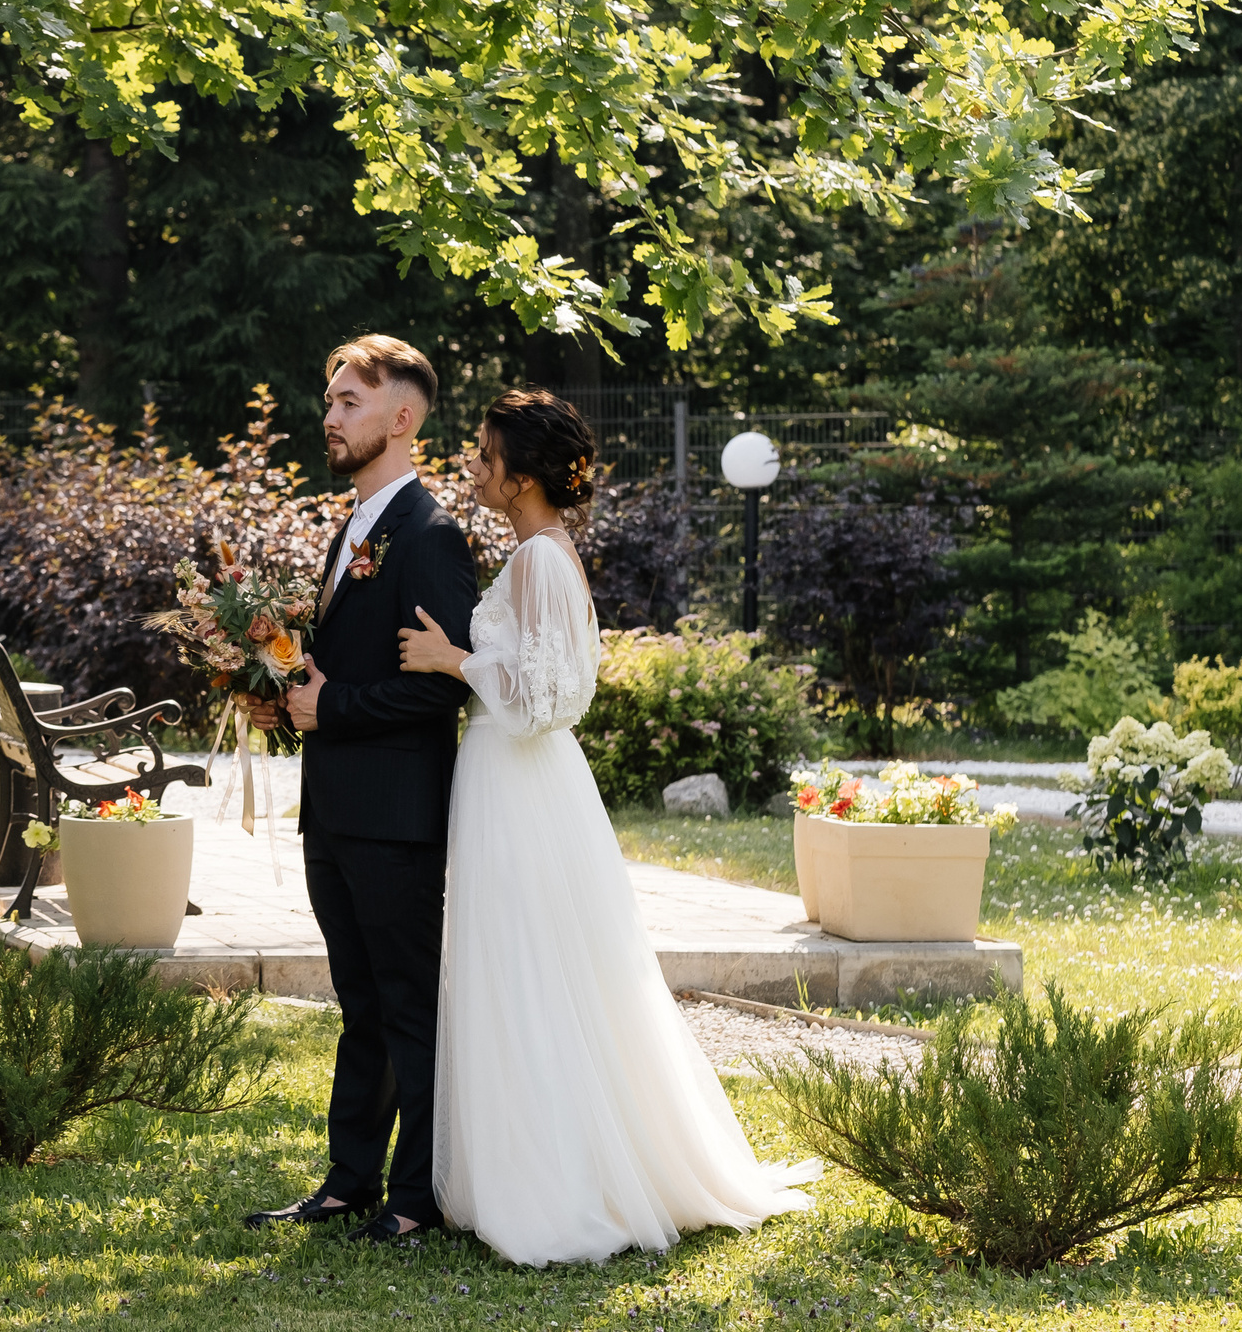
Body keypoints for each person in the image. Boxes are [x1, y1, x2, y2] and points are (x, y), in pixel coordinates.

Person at [393, 388, 816, 1266]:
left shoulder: (540, 561)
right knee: (530, 966)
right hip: (514, 783)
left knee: (530, 969)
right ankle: (529, 1161)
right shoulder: (539, 555)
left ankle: (555, 1182)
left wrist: (452, 658)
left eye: (484, 453)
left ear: (520, 477)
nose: (473, 464)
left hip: (521, 782)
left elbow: (548, 700)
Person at [242, 336, 479, 1244]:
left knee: (408, 1008)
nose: (330, 414)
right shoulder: (350, 530)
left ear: (401, 418)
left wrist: (330, 707)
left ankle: (417, 1197)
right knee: (361, 1005)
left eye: (348, 401)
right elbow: (338, 670)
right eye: (330, 398)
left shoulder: (429, 536)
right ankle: (349, 1181)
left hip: (396, 821)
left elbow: (440, 683)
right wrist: (284, 700)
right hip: (336, 812)